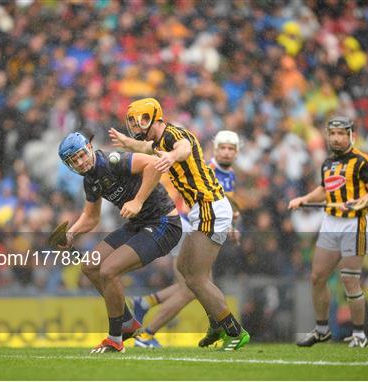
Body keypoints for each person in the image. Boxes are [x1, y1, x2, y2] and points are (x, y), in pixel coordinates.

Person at [109, 98, 249, 351]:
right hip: (202, 209)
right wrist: (129, 143)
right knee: (187, 272)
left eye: (140, 119)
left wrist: (173, 157)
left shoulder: (173, 136)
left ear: (155, 117)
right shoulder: (160, 140)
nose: (135, 124)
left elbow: (183, 147)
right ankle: (217, 324)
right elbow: (149, 147)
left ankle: (233, 331)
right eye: (132, 120)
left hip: (209, 208)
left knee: (195, 278)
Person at [57, 132, 182, 353]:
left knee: (108, 271)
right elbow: (91, 218)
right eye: (73, 161)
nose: (80, 162)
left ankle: (115, 338)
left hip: (164, 222)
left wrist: (138, 200)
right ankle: (127, 322)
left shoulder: (114, 160)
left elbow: (154, 164)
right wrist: (71, 233)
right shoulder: (91, 180)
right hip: (137, 224)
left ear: (89, 147)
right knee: (90, 265)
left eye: (81, 155)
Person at [129, 130, 242, 348]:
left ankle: (147, 303)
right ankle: (147, 334)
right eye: (223, 148)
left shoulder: (230, 175)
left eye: (231, 149)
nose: (226, 153)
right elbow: (197, 195)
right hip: (187, 222)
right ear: (214, 150)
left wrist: (232, 222)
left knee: (196, 283)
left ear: (237, 153)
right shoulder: (207, 168)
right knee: (194, 285)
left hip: (198, 222)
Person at [288, 116, 368, 348]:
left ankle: (359, 335)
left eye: (342, 133)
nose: (337, 138)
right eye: (333, 133)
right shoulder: (328, 163)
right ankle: (321, 330)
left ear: (351, 135)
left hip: (355, 224)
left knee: (349, 280)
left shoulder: (363, 161)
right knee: (317, 277)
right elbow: (324, 189)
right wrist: (304, 199)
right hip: (331, 223)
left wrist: (358, 203)